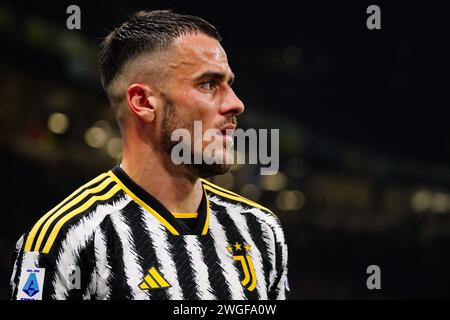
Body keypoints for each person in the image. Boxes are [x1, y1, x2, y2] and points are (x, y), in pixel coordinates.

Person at [10, 10, 289, 300]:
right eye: (208, 84)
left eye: (229, 84)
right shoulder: (68, 238)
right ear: (143, 102)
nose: (236, 104)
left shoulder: (260, 229)